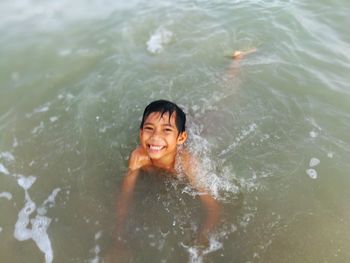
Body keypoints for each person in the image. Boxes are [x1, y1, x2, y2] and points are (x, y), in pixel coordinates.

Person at [115, 100, 220, 248]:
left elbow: (213, 208)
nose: (155, 137)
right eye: (149, 128)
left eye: (166, 130)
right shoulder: (139, 157)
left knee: (210, 117)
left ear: (181, 138)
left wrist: (202, 242)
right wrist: (118, 242)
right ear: (141, 132)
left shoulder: (187, 164)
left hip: (200, 130)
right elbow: (124, 198)